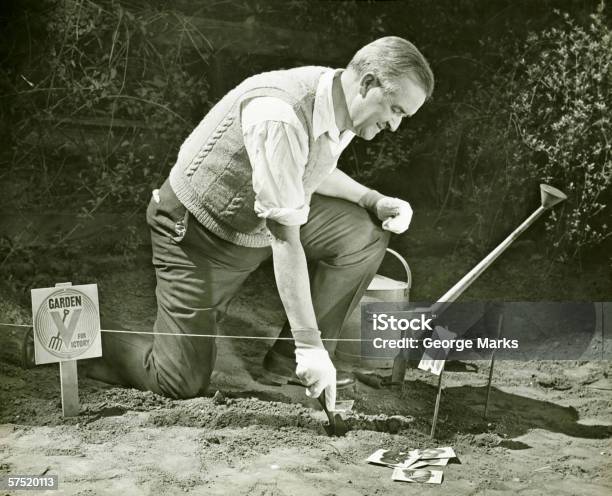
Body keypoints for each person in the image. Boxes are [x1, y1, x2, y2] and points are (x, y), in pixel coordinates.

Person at [87, 36, 434, 411]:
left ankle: (289, 363)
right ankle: (85, 339)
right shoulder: (281, 114)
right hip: (201, 234)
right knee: (178, 382)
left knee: (363, 234)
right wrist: (309, 342)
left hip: (256, 222)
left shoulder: (341, 103)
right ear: (367, 83)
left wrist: (374, 200)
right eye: (396, 110)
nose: (396, 126)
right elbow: (285, 238)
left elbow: (310, 169)